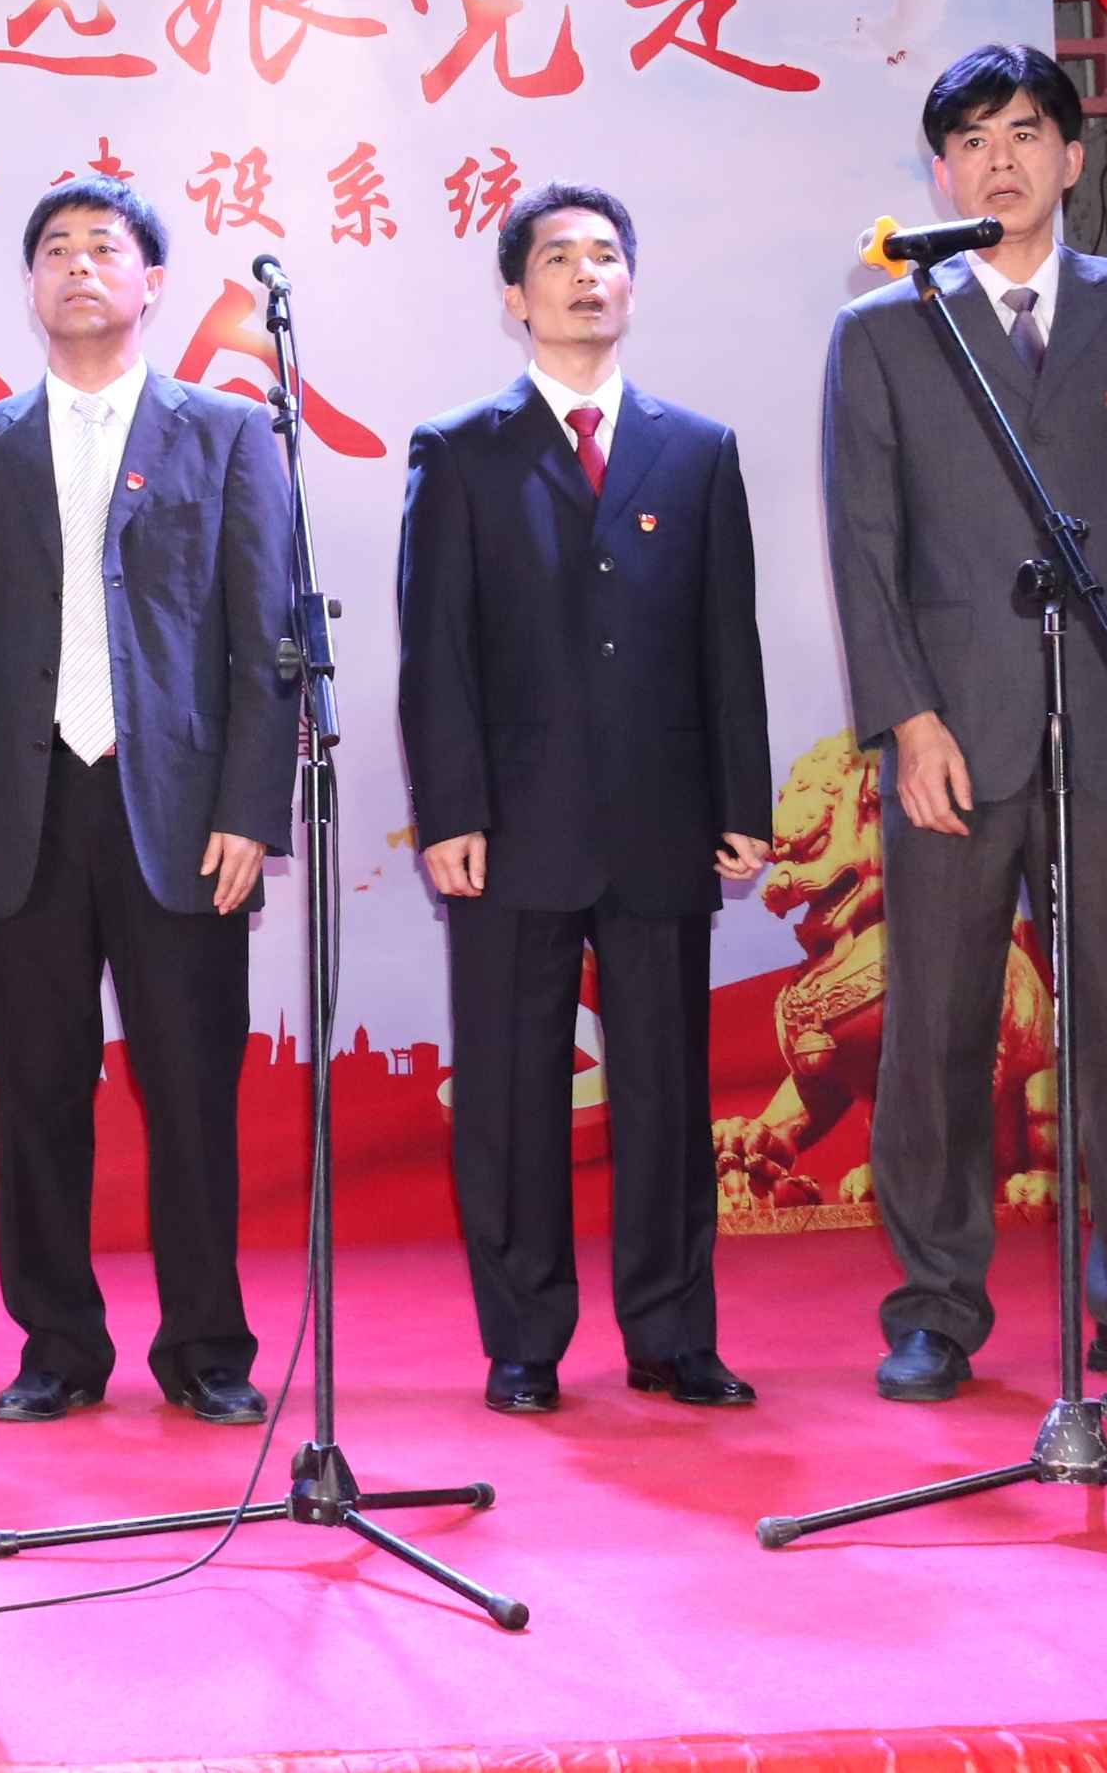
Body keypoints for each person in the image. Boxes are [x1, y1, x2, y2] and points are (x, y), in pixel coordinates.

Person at [822, 43, 1107, 1402]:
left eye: (1023, 132)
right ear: (939, 174)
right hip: (955, 737)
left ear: (1072, 157)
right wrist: (907, 719)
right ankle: (936, 1309)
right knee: (938, 1029)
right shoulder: (887, 329)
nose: (998, 159)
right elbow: (866, 547)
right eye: (970, 140)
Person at [0, 176, 297, 1427]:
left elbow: (264, 636)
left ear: (152, 283)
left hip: (180, 814)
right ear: (30, 288)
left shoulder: (227, 433)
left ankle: (207, 1348)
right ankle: (58, 1347)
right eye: (56, 251)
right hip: (25, 812)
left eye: (105, 248)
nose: (80, 266)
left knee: (191, 1094)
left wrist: (250, 808)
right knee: (38, 1094)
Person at [397, 184, 771, 1416]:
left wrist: (742, 798)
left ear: (633, 286)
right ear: (516, 296)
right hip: (512, 825)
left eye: (606, 255)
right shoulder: (460, 449)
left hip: (664, 816)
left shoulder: (697, 450)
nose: (585, 275)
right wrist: (451, 812)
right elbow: (436, 651)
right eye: (558, 258)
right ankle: (525, 1339)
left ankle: (672, 1332)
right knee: (513, 1097)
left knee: (667, 1093)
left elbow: (728, 642)